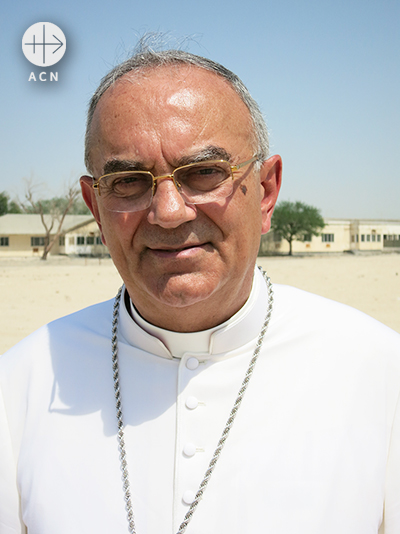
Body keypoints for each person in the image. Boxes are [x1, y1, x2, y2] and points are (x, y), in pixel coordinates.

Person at [1, 44, 399, 534]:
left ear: (267, 192)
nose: (169, 211)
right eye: (129, 181)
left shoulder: (380, 374)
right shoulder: (19, 386)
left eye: (204, 173)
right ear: (95, 206)